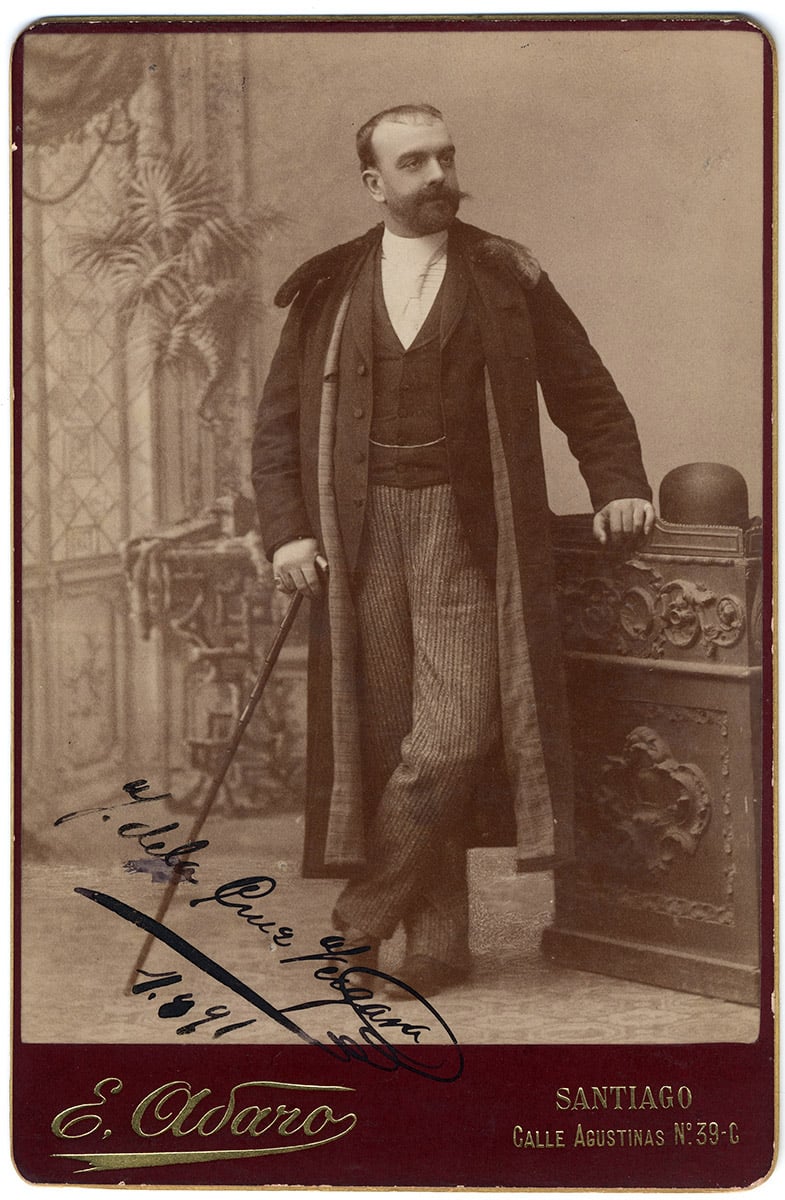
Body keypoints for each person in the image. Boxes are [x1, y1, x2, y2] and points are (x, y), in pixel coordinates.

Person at [251, 103, 654, 997]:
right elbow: (278, 425)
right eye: (413, 163)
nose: (437, 176)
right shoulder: (328, 288)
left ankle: (360, 921)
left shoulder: (507, 275)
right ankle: (437, 943)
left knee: (450, 739)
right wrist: (287, 532)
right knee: (391, 740)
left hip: (469, 534)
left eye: (444, 157)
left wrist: (618, 483)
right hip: (359, 539)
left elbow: (585, 390)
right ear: (374, 183)